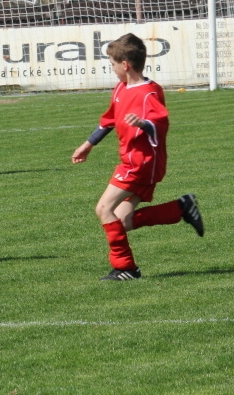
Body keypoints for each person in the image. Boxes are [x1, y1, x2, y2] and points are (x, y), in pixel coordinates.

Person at [71, 33, 204, 281]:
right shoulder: (121, 88)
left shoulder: (149, 92)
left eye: (112, 64)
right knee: (122, 221)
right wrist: (88, 144)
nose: (111, 69)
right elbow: (109, 120)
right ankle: (181, 208)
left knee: (103, 209)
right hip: (132, 161)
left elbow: (160, 123)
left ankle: (126, 268)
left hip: (141, 163)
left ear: (125, 64)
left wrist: (143, 124)